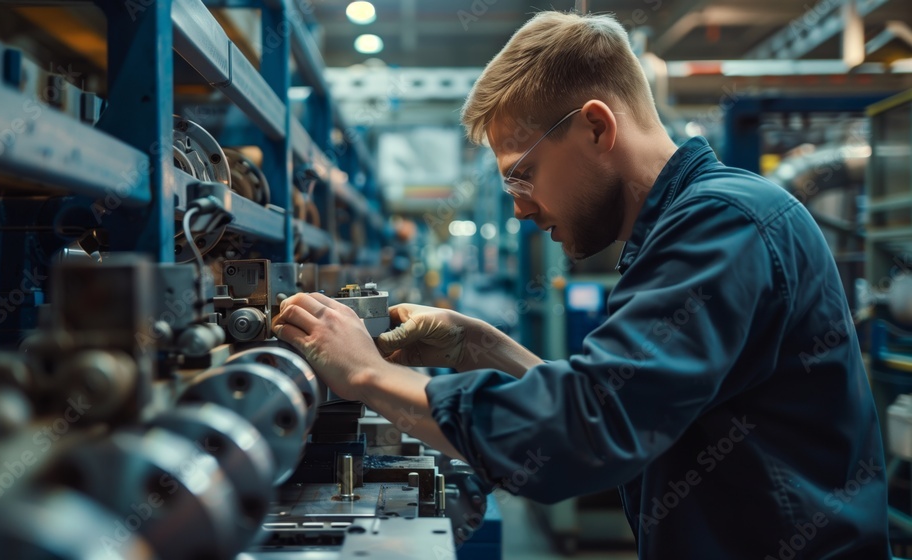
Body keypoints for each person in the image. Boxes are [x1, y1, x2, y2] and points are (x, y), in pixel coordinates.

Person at [273, 11, 890, 558]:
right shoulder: (689, 227)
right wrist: (479, 345)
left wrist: (366, 375)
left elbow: (591, 428)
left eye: (523, 178)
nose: (519, 209)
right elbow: (628, 404)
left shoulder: (723, 224)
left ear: (596, 127)